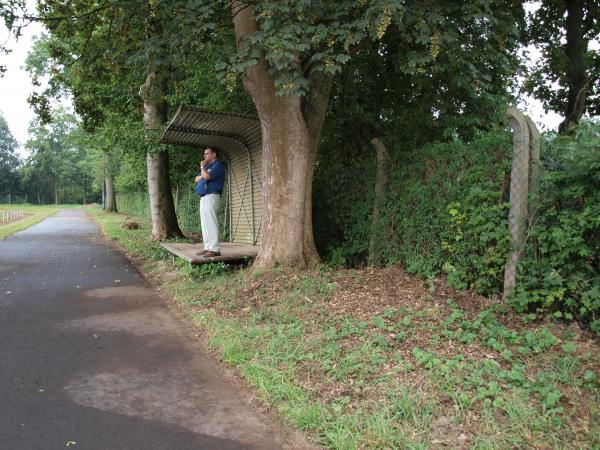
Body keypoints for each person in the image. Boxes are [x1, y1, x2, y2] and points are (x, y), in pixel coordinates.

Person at [194, 147, 225, 257]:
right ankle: (207, 247)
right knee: (205, 223)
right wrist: (204, 173)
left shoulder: (218, 165)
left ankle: (215, 249)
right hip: (204, 196)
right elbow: (196, 179)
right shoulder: (208, 166)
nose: (204, 156)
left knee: (211, 222)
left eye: (207, 154)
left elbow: (206, 177)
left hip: (212, 195)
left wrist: (202, 169)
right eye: (204, 154)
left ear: (214, 154)